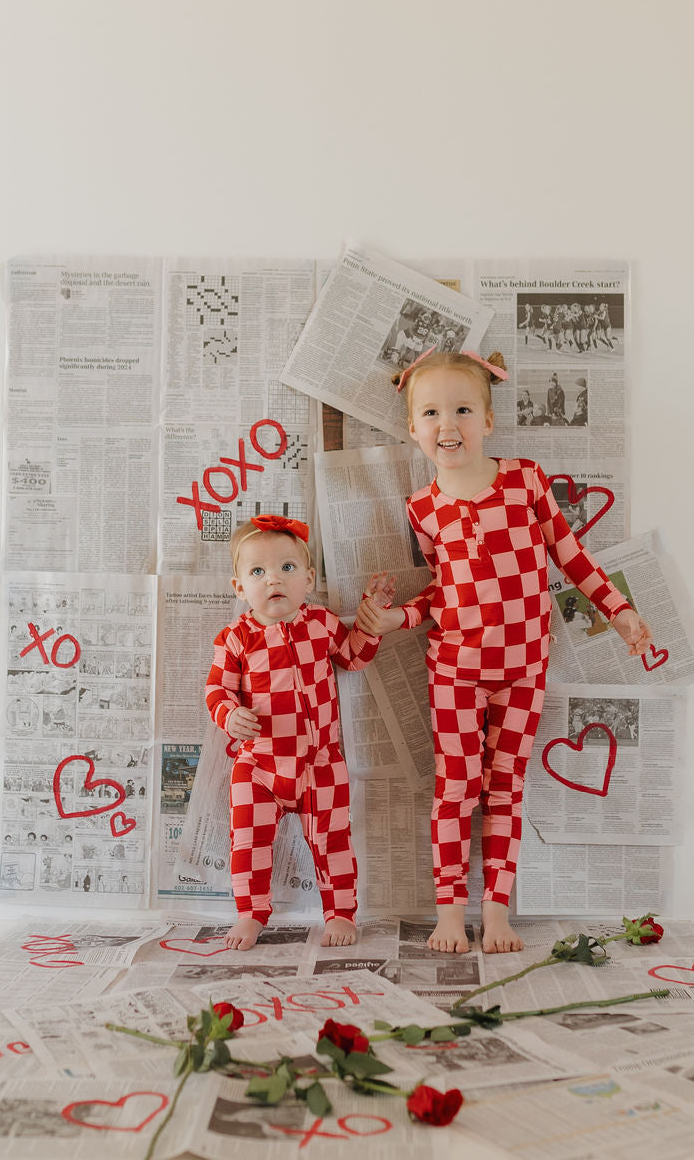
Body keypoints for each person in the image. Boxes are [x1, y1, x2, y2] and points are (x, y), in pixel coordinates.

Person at [355, 349, 652, 956]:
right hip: (455, 673)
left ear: (487, 420)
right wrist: (396, 618)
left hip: (523, 672)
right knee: (455, 789)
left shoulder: (525, 480)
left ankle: (495, 913)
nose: (448, 425)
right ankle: (448, 913)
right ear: (413, 428)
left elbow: (570, 556)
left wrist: (618, 610)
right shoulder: (423, 508)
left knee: (505, 789)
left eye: (462, 410)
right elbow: (441, 592)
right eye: (431, 413)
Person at [205, 514, 393, 952]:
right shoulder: (235, 638)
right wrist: (229, 714)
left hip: (319, 762)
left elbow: (354, 657)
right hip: (260, 765)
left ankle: (340, 912)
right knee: (248, 840)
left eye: (286, 568)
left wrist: (372, 619)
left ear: (308, 580)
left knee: (333, 841)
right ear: (239, 588)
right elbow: (216, 689)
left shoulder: (321, 624)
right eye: (258, 572)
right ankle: (251, 912)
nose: (273, 579)